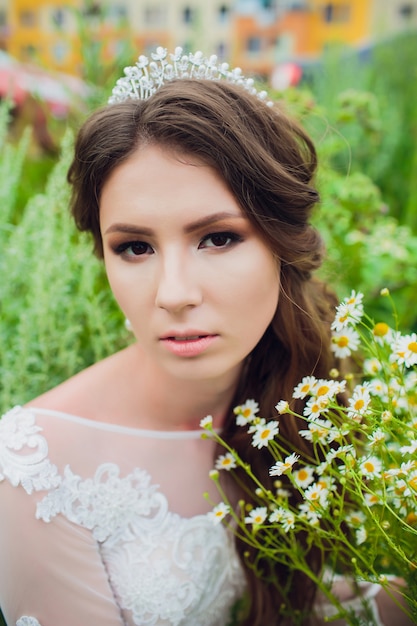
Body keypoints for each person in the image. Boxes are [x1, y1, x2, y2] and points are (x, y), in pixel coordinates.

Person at [0, 47, 413, 626]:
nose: (173, 293)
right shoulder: (37, 467)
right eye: (135, 247)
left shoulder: (310, 393)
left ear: (282, 243)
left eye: (217, 238)